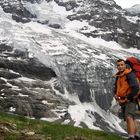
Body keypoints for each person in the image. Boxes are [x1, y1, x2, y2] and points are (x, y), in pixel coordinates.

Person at [114, 59, 140, 140]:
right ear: (117, 66)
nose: (120, 66)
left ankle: (131, 137)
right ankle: (135, 136)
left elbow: (136, 87)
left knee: (129, 117)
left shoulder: (129, 74)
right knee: (132, 118)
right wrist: (115, 94)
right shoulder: (119, 75)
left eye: (122, 65)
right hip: (124, 99)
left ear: (125, 65)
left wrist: (127, 98)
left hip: (129, 99)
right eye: (118, 65)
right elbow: (117, 86)